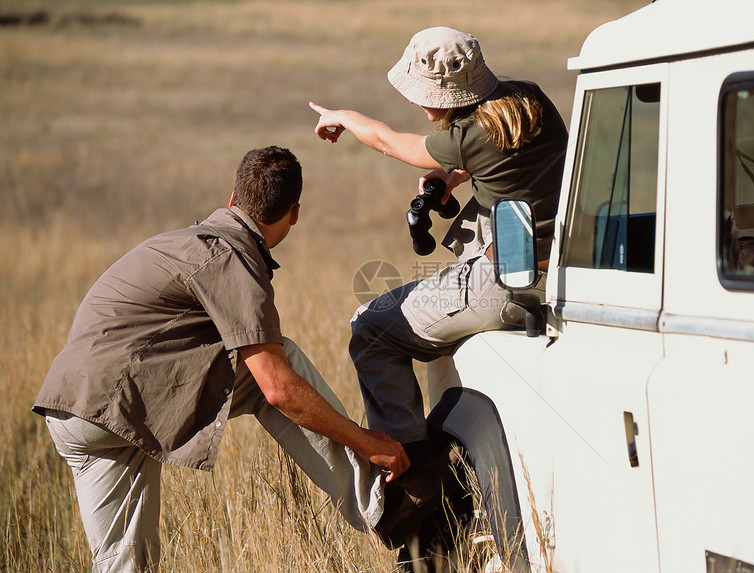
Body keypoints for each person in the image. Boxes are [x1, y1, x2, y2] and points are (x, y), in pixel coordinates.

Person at [32, 146, 410, 572]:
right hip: (117, 405)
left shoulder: (179, 241)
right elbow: (279, 390)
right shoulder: (232, 258)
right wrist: (367, 441)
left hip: (69, 412)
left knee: (125, 563)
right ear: (295, 213)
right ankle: (388, 507)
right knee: (279, 368)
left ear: (233, 198)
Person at [310, 25, 567, 521]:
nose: (421, 107)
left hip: (505, 281)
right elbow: (510, 156)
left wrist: (342, 116)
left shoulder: (466, 136)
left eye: (425, 97)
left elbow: (386, 140)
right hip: (555, 264)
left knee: (371, 328)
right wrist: (452, 177)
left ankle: (418, 484)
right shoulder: (527, 102)